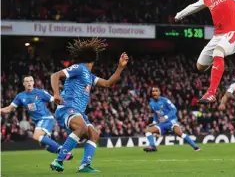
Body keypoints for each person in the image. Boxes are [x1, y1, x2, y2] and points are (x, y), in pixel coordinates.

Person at [50, 38, 129, 173]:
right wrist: (56, 94)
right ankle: (59, 159)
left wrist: (120, 67)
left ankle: (84, 165)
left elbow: (108, 83)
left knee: (94, 134)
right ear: (94, 58)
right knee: (80, 127)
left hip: (78, 112)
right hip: (67, 108)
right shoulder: (79, 68)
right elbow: (55, 75)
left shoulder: (89, 76)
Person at [0, 76, 73, 160]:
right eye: (26, 81)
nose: (29, 83)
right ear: (24, 84)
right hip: (38, 121)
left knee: (36, 136)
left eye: (31, 81)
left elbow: (55, 100)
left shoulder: (40, 92)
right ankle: (65, 154)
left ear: (33, 83)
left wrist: (68, 108)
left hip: (46, 118)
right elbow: (9, 109)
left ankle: (63, 150)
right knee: (44, 145)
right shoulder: (20, 96)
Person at [143, 86, 200, 152]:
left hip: (171, 121)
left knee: (179, 133)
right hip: (162, 123)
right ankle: (153, 146)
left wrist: (166, 117)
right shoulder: (151, 103)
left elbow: (174, 109)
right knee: (147, 130)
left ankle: (196, 147)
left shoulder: (165, 100)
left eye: (156, 91)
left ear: (159, 92)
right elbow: (156, 113)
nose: (154, 92)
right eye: (153, 91)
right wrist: (154, 122)